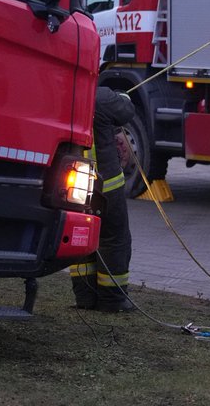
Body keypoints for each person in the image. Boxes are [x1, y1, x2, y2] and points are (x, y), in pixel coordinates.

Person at [70, 84, 137, 312]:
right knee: (114, 241)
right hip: (106, 186)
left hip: (73, 187)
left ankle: (85, 298)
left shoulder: (63, 92)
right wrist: (122, 97)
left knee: (81, 239)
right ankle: (112, 300)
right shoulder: (101, 96)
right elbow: (127, 111)